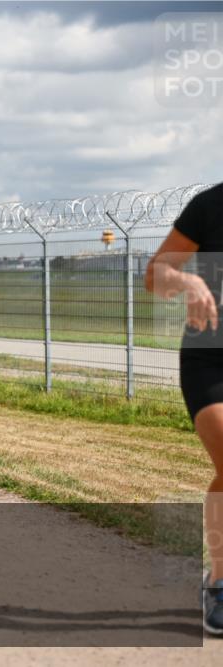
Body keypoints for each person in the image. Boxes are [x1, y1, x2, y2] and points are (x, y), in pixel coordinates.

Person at [145, 181, 223, 636]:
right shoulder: (211, 205)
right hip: (211, 358)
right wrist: (187, 279)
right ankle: (219, 581)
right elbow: (154, 276)